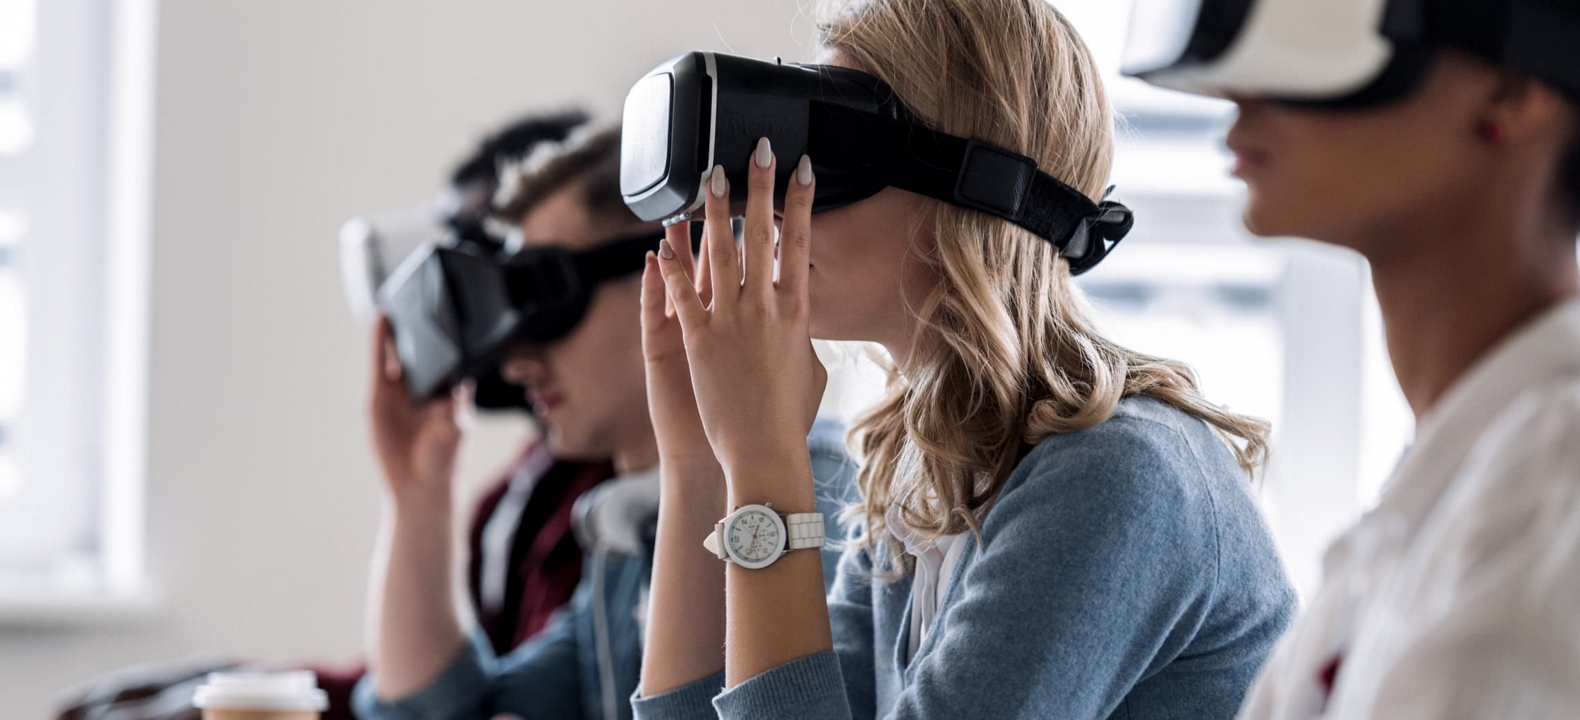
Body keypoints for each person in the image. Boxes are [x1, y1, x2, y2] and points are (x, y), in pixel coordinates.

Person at [630, 1, 1297, 718]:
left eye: (819, 163)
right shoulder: (918, 478)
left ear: (969, 189)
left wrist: (764, 462)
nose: (781, 208)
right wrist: (700, 462)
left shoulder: (1117, 472)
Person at [1151, 7, 1580, 720]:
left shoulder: (1552, 487)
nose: (1238, 95)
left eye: (1326, 28)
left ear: (1512, 93)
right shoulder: (1457, 474)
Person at [354, 125, 857, 720]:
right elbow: (444, 715)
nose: (518, 362)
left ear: (685, 271)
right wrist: (417, 495)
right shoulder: (628, 532)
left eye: (547, 302)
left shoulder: (811, 494)